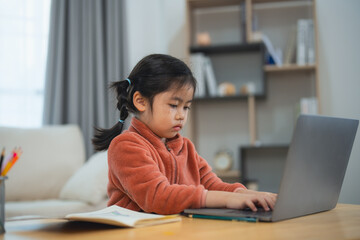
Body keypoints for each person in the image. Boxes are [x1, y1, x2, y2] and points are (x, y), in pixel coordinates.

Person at [92, 54, 277, 215]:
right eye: (174, 105)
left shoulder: (186, 147)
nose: (181, 115)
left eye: (186, 107)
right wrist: (226, 200)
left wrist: (245, 194)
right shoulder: (125, 146)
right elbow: (158, 196)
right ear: (140, 101)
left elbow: (212, 184)